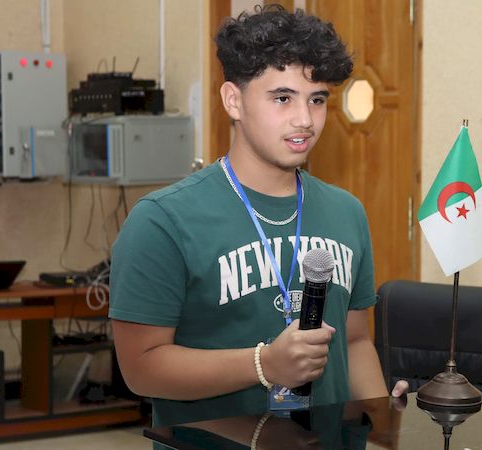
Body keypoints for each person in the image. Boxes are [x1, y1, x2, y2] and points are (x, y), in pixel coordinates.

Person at [109, 4, 407, 431]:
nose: (305, 120)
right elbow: (141, 368)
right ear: (233, 100)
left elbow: (355, 340)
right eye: (282, 98)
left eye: (317, 100)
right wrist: (264, 364)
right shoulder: (163, 221)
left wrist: (381, 418)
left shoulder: (347, 213)